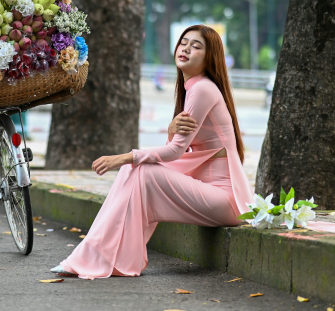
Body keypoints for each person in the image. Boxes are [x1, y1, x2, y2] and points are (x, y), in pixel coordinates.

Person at [51, 24, 254, 279]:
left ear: (209, 57)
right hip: (213, 195)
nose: (186, 49)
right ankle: (103, 256)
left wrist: (125, 156)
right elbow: (186, 144)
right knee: (134, 170)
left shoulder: (203, 89)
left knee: (140, 170)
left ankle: (98, 256)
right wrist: (169, 130)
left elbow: (175, 151)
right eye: (184, 43)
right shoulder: (195, 88)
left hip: (226, 201)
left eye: (196, 46)